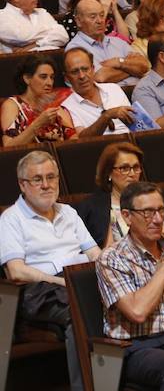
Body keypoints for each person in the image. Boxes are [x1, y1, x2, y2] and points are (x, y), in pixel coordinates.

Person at [0, 151, 100, 390]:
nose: (46, 185)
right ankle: (86, 386)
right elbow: (15, 271)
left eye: (51, 177)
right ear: (23, 185)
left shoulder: (69, 212)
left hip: (79, 280)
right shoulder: (11, 219)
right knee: (81, 313)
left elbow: (95, 254)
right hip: (39, 291)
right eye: (37, 179)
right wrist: (61, 281)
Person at [96, 181, 164, 391]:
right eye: (148, 213)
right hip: (134, 346)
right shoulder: (112, 258)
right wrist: (163, 271)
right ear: (127, 216)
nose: (158, 219)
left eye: (161, 210)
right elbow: (137, 312)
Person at [76, 143, 160, 249]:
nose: (132, 173)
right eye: (124, 168)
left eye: (136, 167)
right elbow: (105, 252)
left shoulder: (151, 200)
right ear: (109, 173)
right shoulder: (93, 208)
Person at [66, 0, 148, 86]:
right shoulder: (75, 49)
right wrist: (132, 69)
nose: (100, 21)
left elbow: (143, 66)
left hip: (138, 92)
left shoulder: (117, 41)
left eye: (102, 15)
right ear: (78, 21)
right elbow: (101, 77)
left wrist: (118, 62)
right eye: (93, 17)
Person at [1, 54, 74, 146]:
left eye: (51, 77)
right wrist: (39, 123)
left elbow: (74, 140)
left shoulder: (56, 106)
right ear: (27, 79)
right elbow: (8, 146)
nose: (49, 83)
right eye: (43, 77)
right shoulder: (12, 105)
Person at [60, 47, 134, 136]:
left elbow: (135, 124)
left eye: (85, 69)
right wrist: (106, 116)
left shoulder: (114, 89)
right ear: (66, 77)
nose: (82, 76)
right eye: (75, 72)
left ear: (93, 69)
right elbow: (81, 141)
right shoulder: (67, 107)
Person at [0, 0, 67, 53]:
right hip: (22, 62)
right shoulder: (3, 17)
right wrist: (48, 30)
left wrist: (36, 44)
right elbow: (23, 37)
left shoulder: (42, 12)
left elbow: (63, 35)